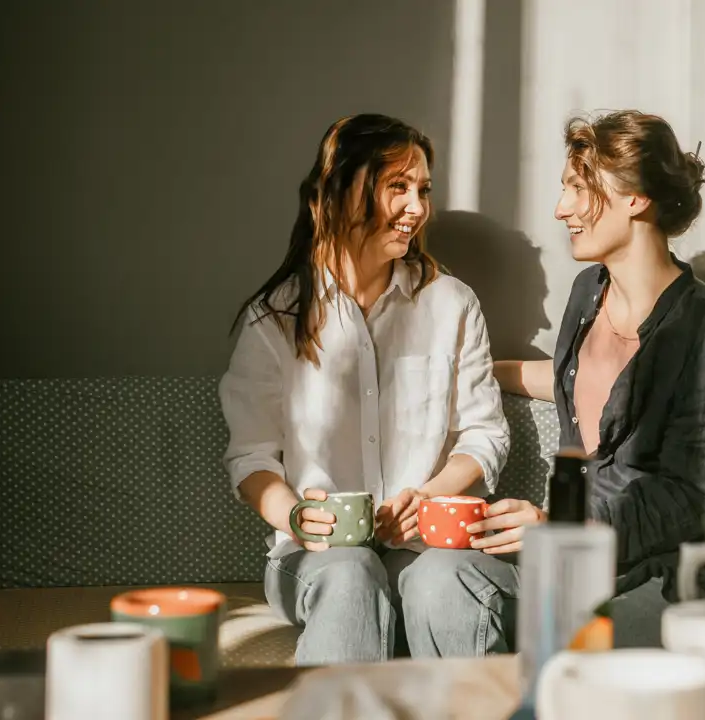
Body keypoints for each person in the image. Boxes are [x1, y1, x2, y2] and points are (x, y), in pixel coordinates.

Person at [399, 110, 705, 655]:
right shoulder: (587, 292)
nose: (560, 208)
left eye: (577, 188)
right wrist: (471, 374)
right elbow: (580, 379)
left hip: (656, 583)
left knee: (570, 642)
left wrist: (556, 526)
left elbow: (689, 502)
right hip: (569, 566)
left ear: (636, 197)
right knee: (433, 578)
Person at [218, 114, 509, 665]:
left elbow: (483, 435)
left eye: (423, 189)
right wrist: (298, 516)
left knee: (443, 583)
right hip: (315, 555)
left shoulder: (451, 304)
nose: (417, 208)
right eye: (397, 187)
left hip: (424, 547)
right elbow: (251, 456)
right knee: (351, 572)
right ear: (337, 192)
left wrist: (429, 495)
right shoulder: (275, 319)